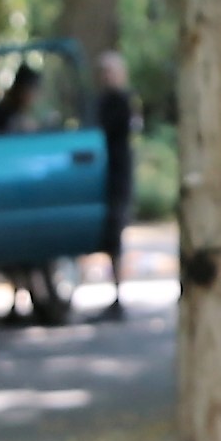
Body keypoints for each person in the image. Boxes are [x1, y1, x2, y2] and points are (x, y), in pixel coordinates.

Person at [91, 49, 138, 318]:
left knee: (115, 236)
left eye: (111, 72)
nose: (107, 77)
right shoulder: (102, 102)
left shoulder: (122, 103)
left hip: (118, 176)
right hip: (103, 175)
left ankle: (118, 296)